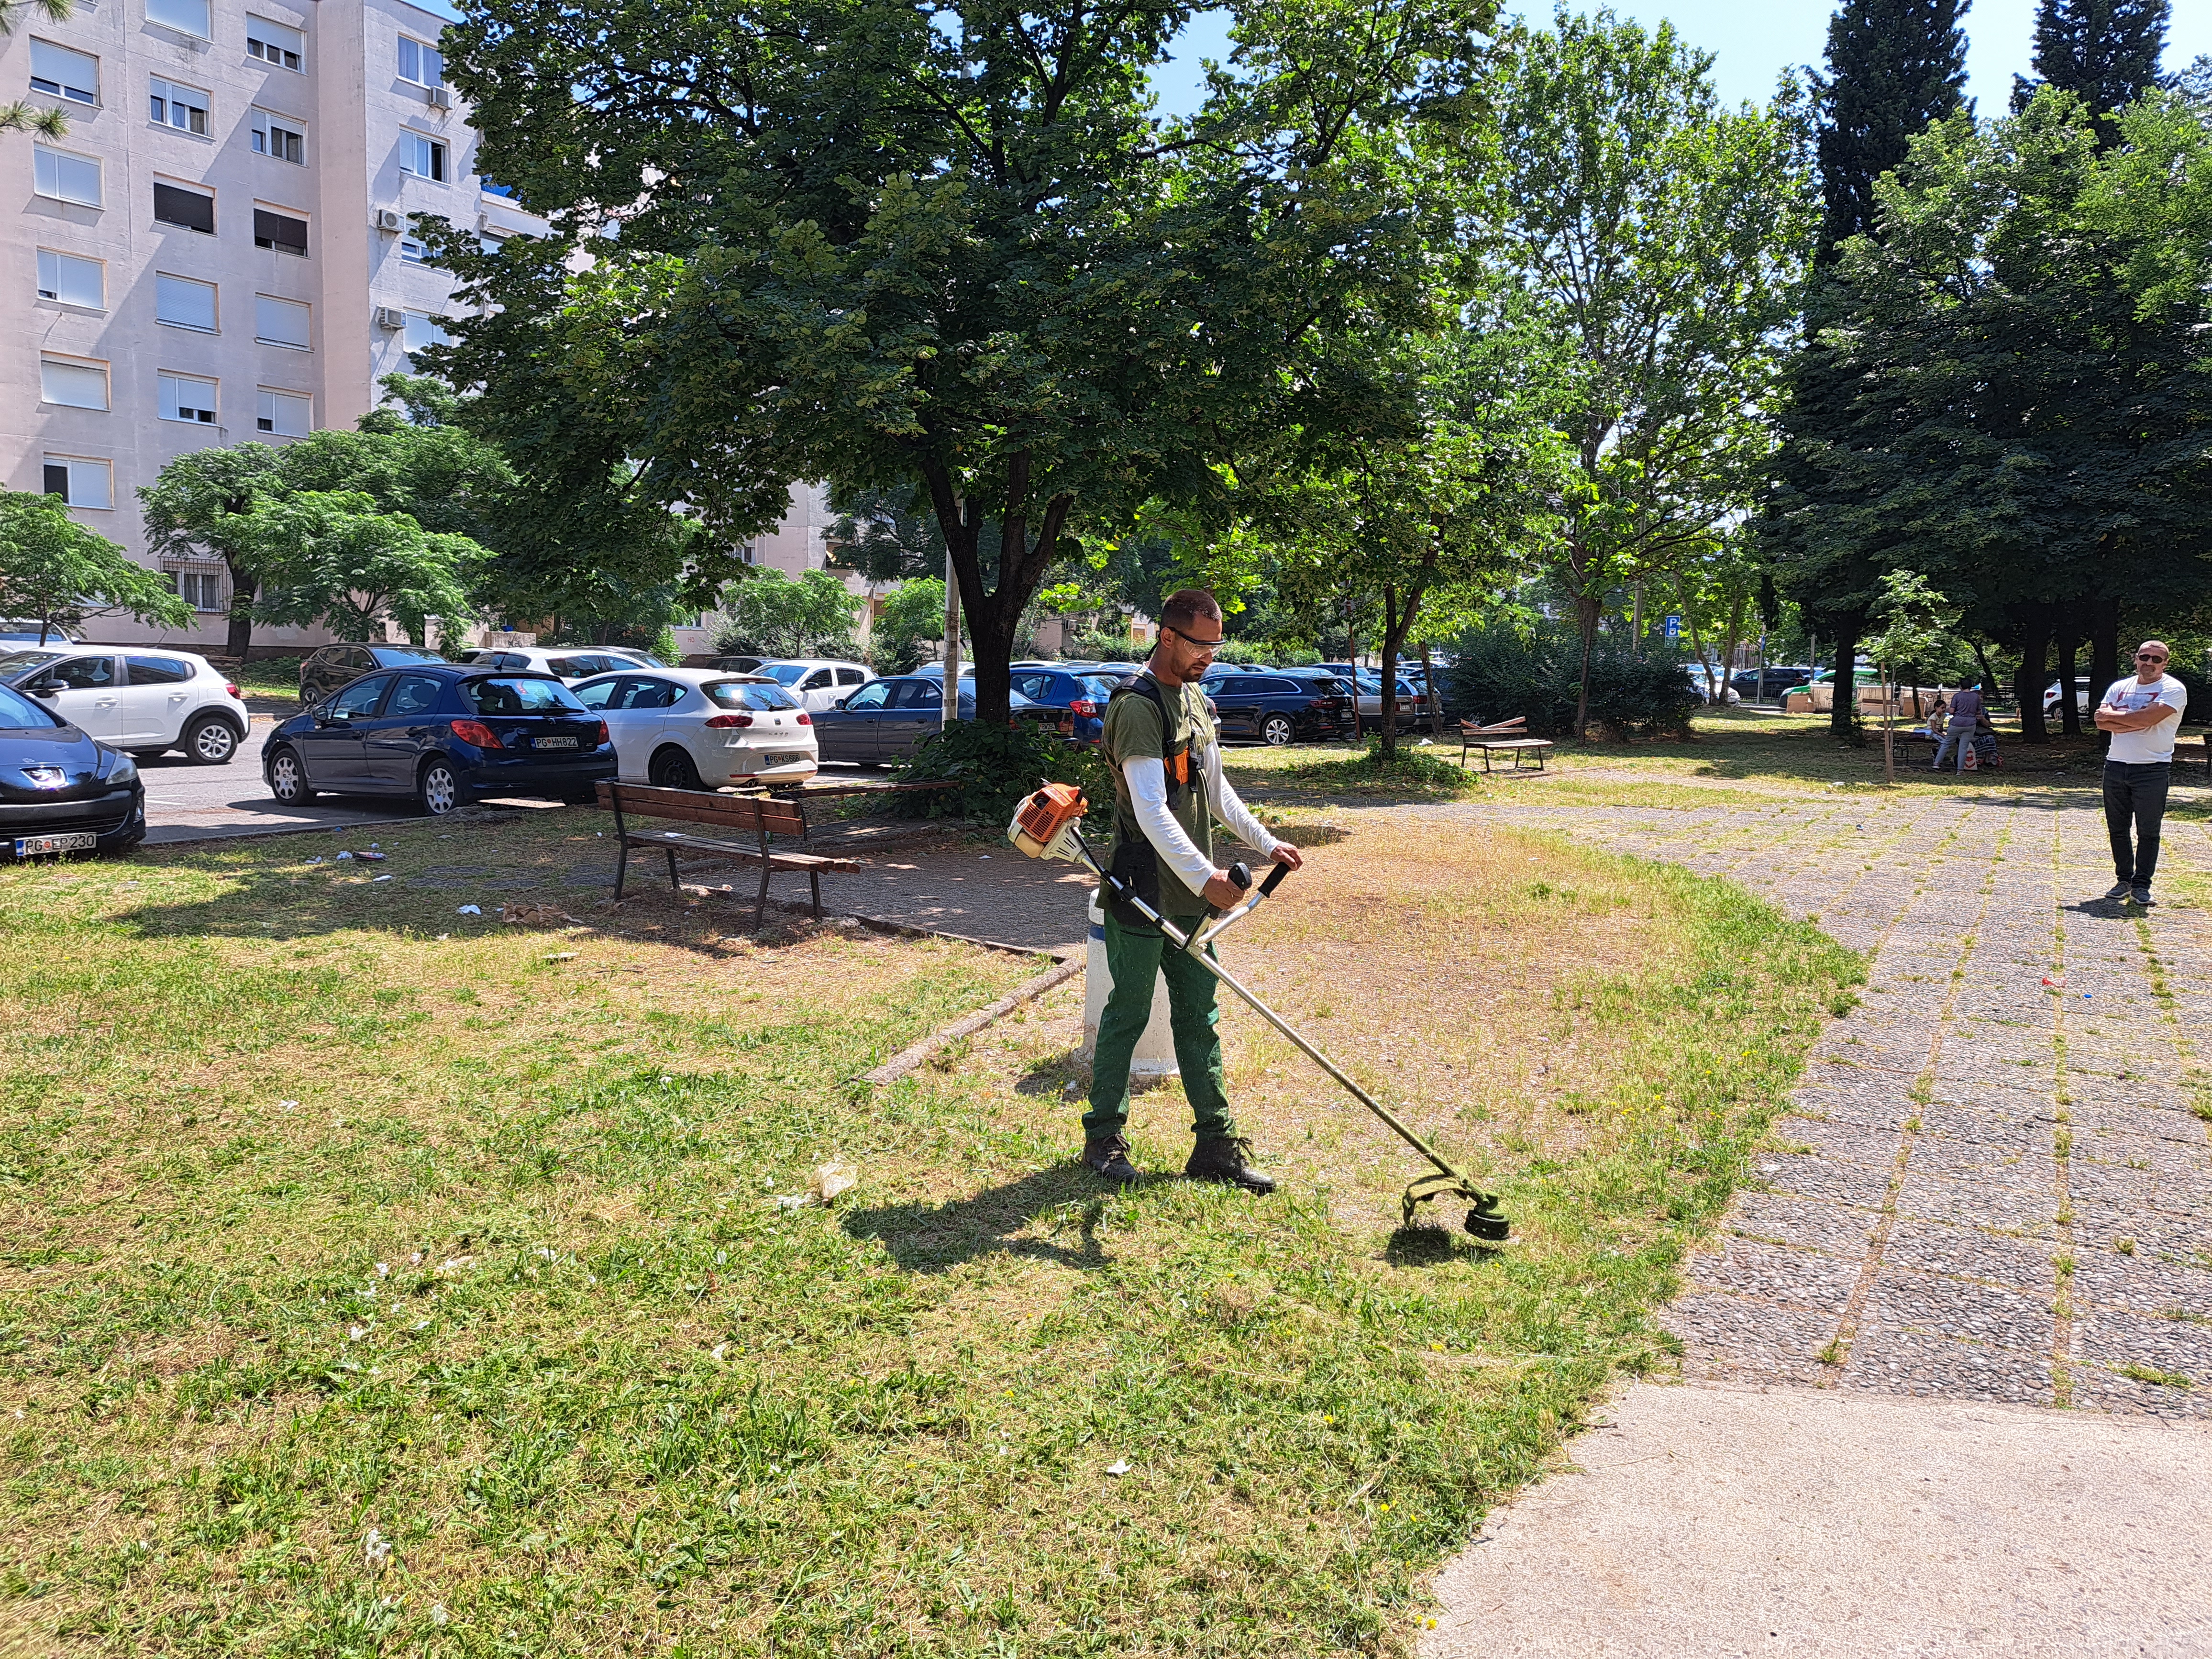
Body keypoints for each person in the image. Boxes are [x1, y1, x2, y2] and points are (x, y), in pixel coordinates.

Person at [1082, 589, 1302, 1193]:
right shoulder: (1137, 706)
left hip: (1190, 899)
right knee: (1127, 1015)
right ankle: (1103, 1138)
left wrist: (1265, 842)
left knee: (1200, 1018)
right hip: (1142, 890)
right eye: (1200, 645)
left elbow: (1217, 789)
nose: (1209, 656)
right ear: (1167, 637)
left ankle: (1216, 1148)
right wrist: (1206, 876)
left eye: (1215, 646)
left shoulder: (1197, 699)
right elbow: (1151, 808)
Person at [2094, 641, 2187, 906]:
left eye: (2156, 659)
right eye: (2144, 657)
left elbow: (2147, 720)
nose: (2149, 663)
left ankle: (2142, 885)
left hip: (2152, 768)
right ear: (2136, 659)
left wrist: (2119, 717)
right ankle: (2124, 880)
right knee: (2118, 829)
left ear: (2165, 663)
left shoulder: (2173, 689)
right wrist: (2136, 720)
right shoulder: (2119, 687)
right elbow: (2100, 721)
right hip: (2116, 765)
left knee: (2148, 830)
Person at [1931, 682, 1984, 771]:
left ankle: (1937, 763)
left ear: (1961, 687)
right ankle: (1960, 769)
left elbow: (1952, 711)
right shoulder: (1976, 697)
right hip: (1970, 724)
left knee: (1947, 743)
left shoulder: (1957, 696)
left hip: (1957, 723)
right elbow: (1979, 711)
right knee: (1963, 747)